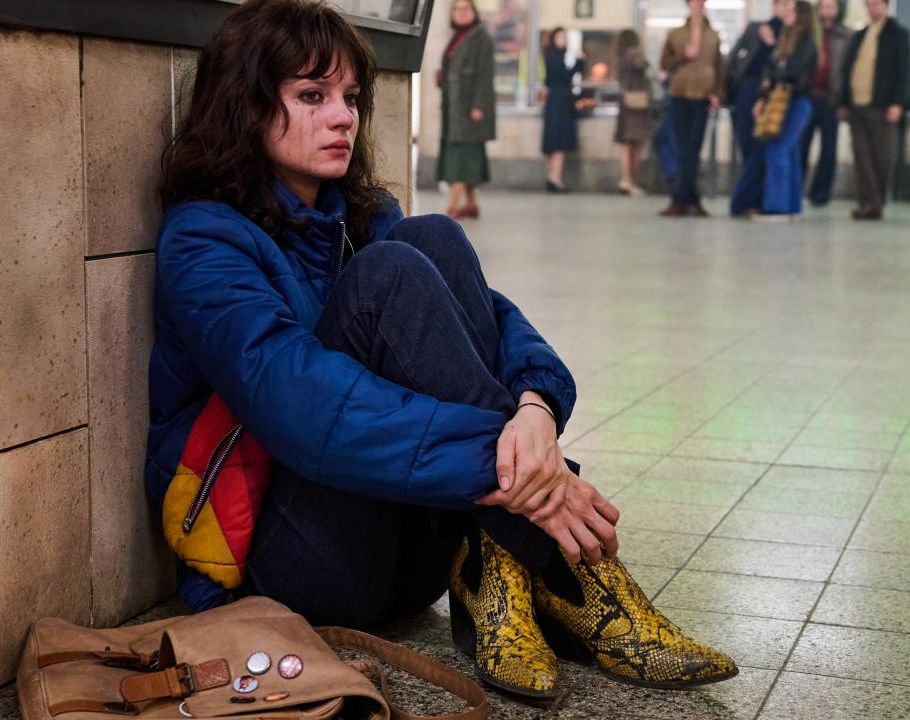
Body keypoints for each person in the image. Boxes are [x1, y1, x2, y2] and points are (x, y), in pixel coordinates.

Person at [149, 0, 738, 701]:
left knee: (433, 238)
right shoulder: (204, 242)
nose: (344, 117)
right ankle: (575, 577)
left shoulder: (361, 217)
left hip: (406, 560)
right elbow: (299, 405)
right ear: (245, 108)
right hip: (286, 575)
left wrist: (535, 408)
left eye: (350, 98)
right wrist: (513, 467)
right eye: (312, 96)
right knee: (390, 273)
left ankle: (498, 572)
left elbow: (492, 318)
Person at [732, 0, 818, 219]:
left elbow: (794, 73)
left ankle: (777, 206)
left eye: (791, 10)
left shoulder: (806, 42)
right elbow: (771, 68)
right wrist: (765, 91)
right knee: (790, 153)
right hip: (779, 100)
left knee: (777, 150)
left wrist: (776, 76)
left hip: (796, 102)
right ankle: (792, 206)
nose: (786, 13)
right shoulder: (785, 41)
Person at [837, 0, 910, 220]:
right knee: (861, 156)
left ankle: (876, 201)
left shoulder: (897, 34)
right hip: (856, 104)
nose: (872, 8)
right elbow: (847, 68)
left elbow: (903, 70)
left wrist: (898, 103)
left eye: (876, 4)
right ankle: (866, 201)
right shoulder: (860, 35)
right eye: (868, 4)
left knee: (880, 155)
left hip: (881, 104)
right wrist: (843, 101)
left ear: (886, 6)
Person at [726, 0, 795, 215]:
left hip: (774, 94)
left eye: (788, 5)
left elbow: (786, 65)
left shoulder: (791, 35)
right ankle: (749, 199)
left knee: (763, 146)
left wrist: (773, 43)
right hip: (748, 90)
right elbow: (735, 58)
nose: (784, 9)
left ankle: (746, 199)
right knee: (747, 143)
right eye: (780, 4)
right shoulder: (756, 28)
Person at [658, 0, 724, 217]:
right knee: (682, 147)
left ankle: (684, 197)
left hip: (702, 96)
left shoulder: (713, 35)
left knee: (693, 150)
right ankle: (686, 198)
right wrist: (683, 56)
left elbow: (720, 68)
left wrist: (717, 94)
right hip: (680, 94)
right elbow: (664, 63)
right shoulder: (676, 34)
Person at [438, 0, 496, 219]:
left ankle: (452, 208)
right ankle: (472, 204)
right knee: (465, 155)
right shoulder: (458, 36)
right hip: (454, 108)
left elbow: (484, 75)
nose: (460, 13)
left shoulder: (481, 37)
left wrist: (479, 105)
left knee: (461, 158)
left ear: (474, 12)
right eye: (456, 9)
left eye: (465, 9)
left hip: (469, 108)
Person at [800, 0, 851, 206]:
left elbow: (847, 71)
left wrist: (844, 102)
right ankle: (796, 188)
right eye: (824, 6)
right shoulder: (809, 33)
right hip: (809, 96)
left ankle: (820, 194)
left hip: (832, 99)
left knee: (829, 149)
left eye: (832, 6)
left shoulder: (847, 36)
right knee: (801, 145)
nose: (828, 10)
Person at [542, 27, 585, 192]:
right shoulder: (553, 56)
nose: (562, 40)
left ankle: (552, 176)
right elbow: (566, 76)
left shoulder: (556, 56)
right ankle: (554, 177)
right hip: (559, 101)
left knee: (555, 139)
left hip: (557, 100)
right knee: (558, 140)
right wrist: (579, 63)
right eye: (559, 37)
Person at [614, 29, 655, 197]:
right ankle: (632, 181)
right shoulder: (634, 54)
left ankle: (625, 179)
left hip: (624, 104)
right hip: (637, 106)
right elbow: (643, 65)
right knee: (636, 145)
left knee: (625, 145)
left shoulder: (620, 57)